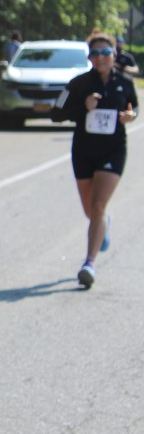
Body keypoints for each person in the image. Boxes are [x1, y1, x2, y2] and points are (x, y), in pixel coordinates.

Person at [51, 31, 138, 288]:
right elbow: (56, 113)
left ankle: (89, 263)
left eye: (105, 52)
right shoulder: (77, 84)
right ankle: (103, 226)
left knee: (99, 204)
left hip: (113, 150)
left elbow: (134, 106)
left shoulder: (125, 82)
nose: (100, 57)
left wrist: (131, 116)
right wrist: (83, 107)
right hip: (84, 151)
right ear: (89, 57)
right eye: (95, 53)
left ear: (114, 54)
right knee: (90, 210)